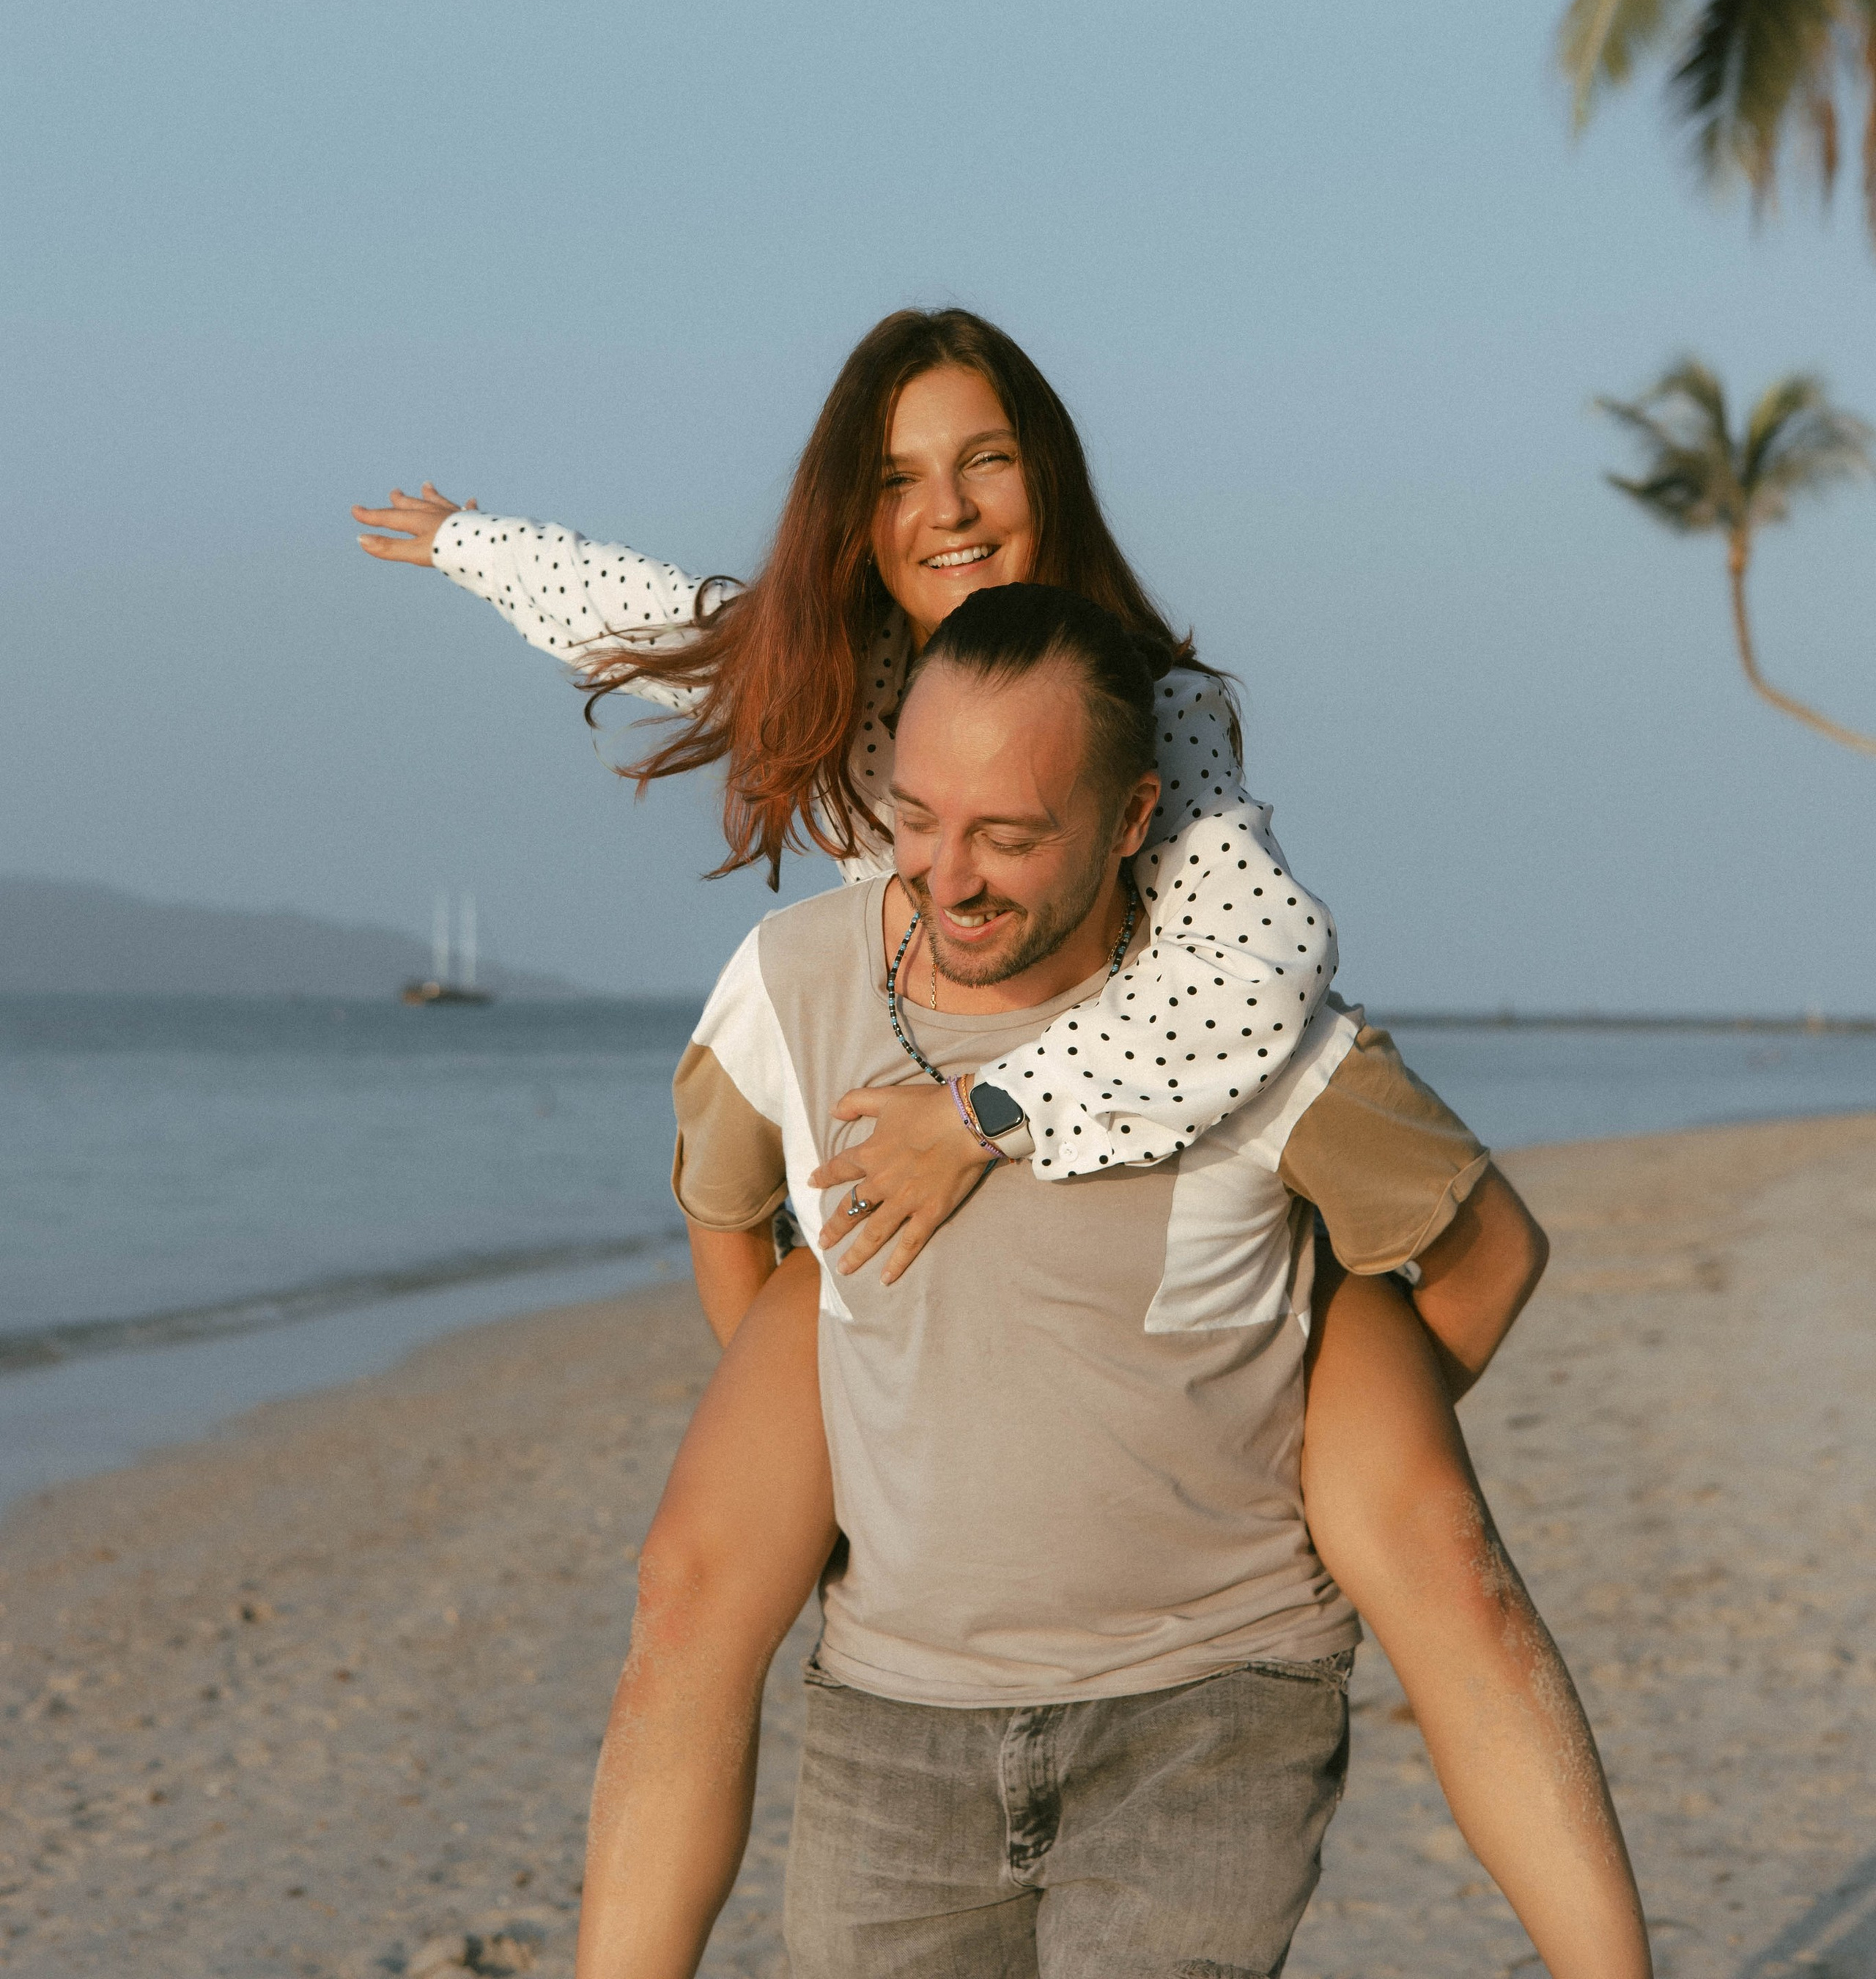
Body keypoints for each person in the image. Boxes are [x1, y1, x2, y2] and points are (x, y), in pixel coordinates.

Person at [353, 306, 1650, 1978]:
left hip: (1130, 1129)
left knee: (1438, 1565)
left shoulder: (1157, 714)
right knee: (685, 1583)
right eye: (897, 478)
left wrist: (990, 1120)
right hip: (883, 1176)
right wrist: (473, 545)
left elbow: (1256, 969)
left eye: (985, 461)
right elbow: (659, 623)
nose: (947, 509)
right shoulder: (836, 683)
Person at [624, 587, 1557, 1972]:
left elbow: (1486, 1256)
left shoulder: (1240, 1028)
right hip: (895, 1727)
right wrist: (859, 1450)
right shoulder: (800, 982)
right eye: (920, 819)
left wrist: (1315, 1459)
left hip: (1207, 1716)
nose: (949, 876)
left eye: (1008, 837)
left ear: (1130, 820)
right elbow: (726, 1216)